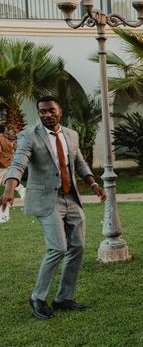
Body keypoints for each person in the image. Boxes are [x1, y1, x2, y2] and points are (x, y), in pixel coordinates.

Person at [0, 96, 106, 320]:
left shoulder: (71, 135)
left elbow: (78, 162)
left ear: (60, 112)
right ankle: (37, 298)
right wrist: (10, 188)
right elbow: (18, 162)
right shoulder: (29, 136)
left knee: (77, 246)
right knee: (58, 247)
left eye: (51, 111)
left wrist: (93, 183)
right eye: (42, 112)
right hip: (47, 200)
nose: (46, 115)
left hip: (71, 198)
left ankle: (63, 298)